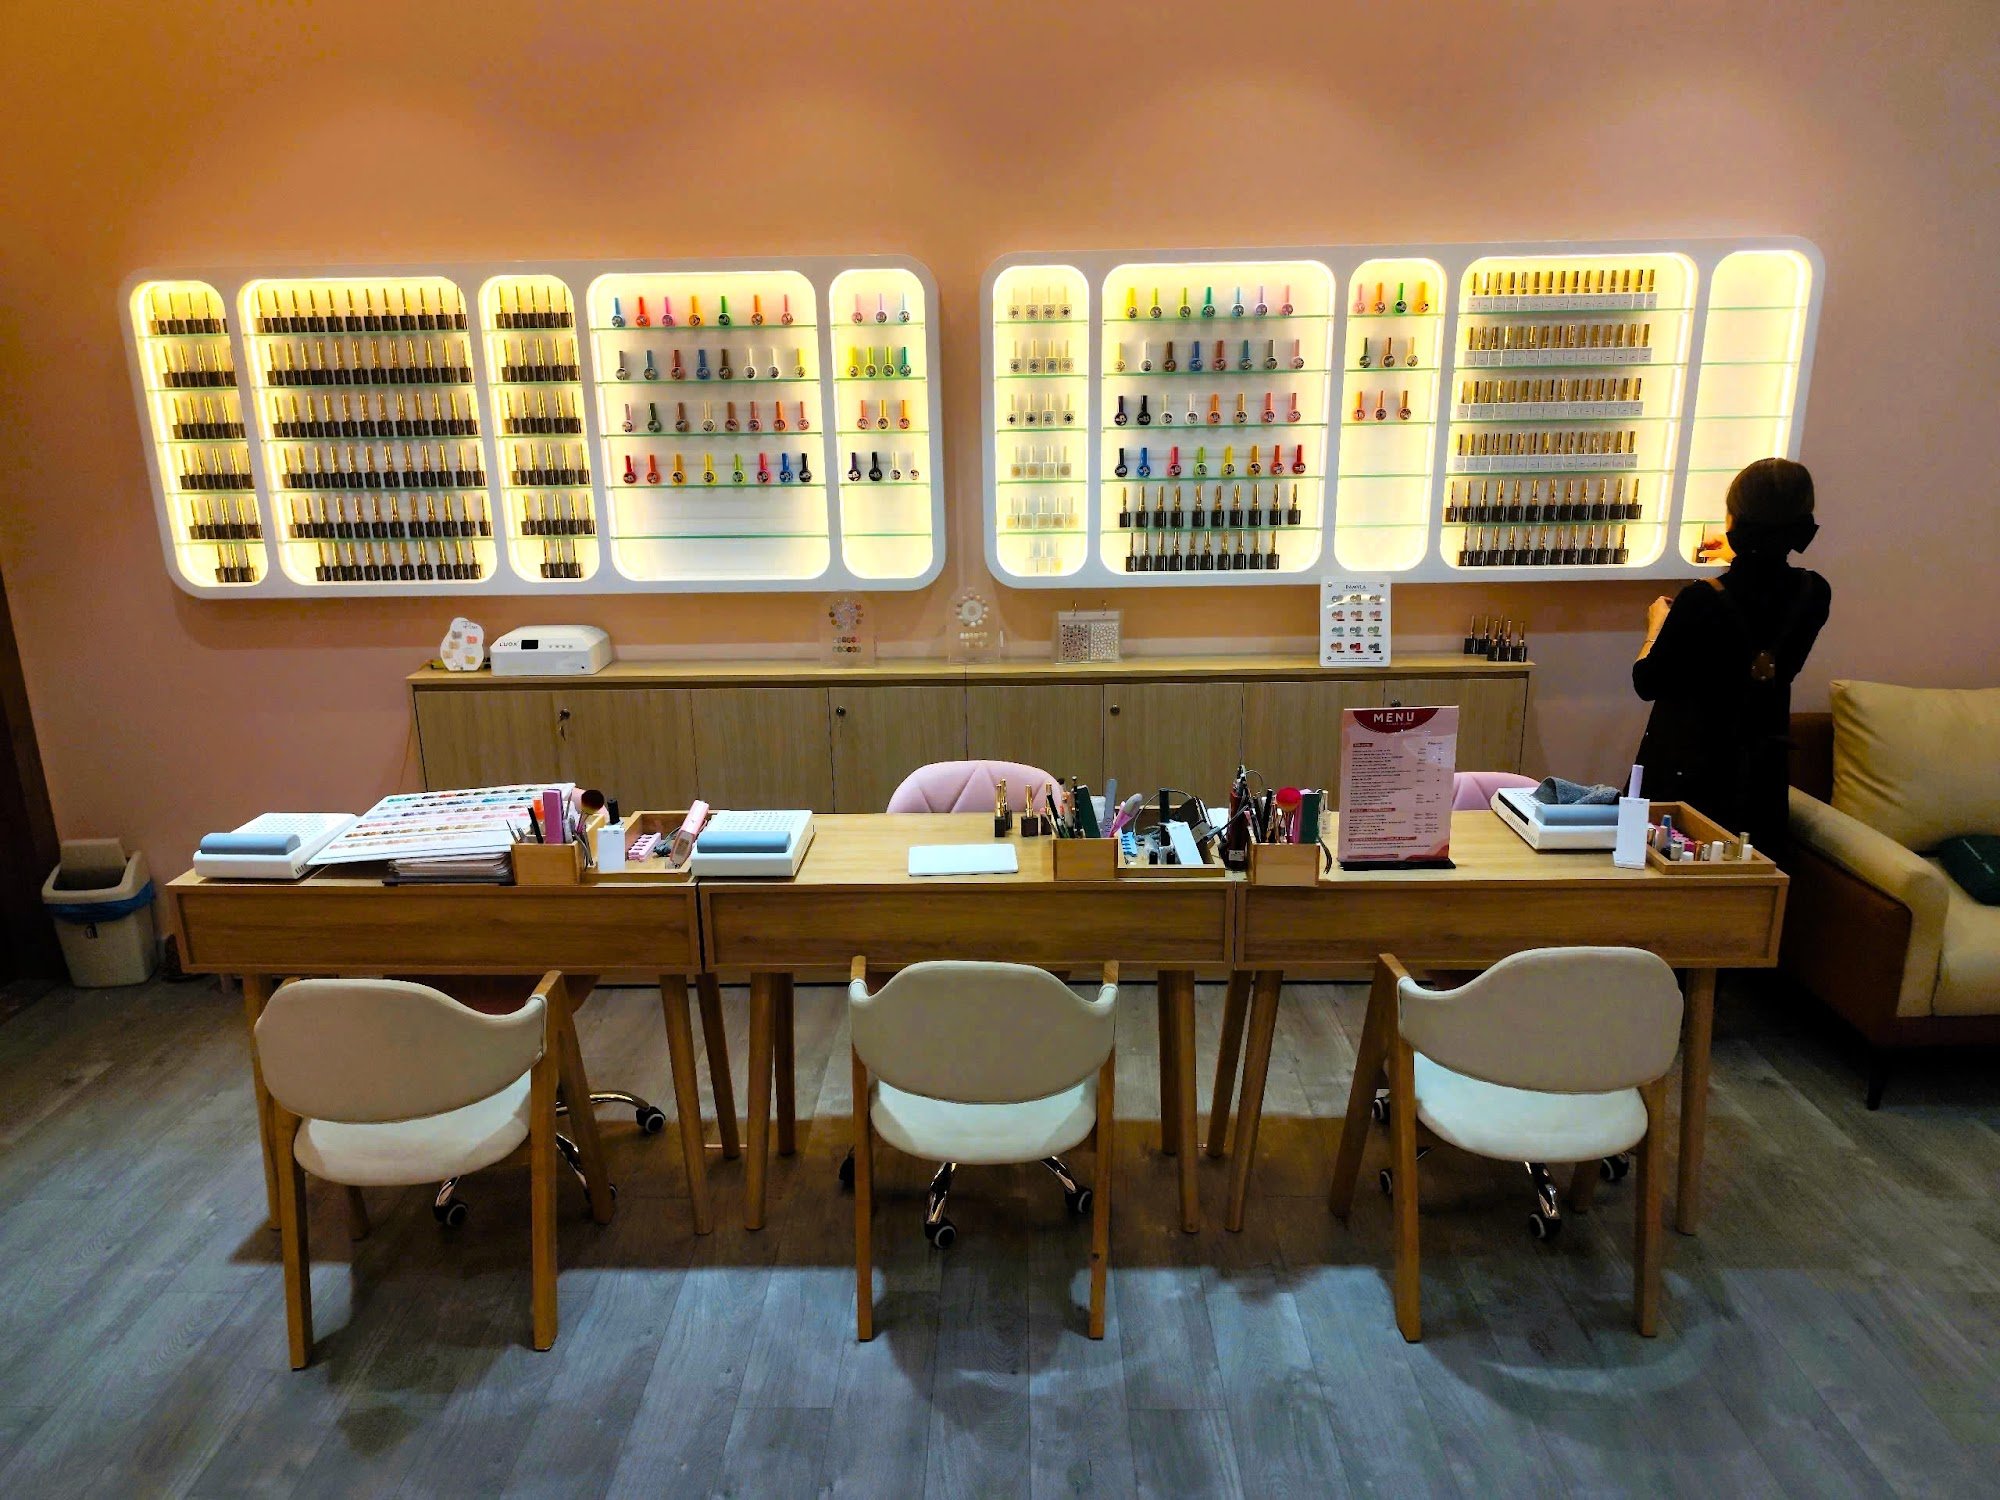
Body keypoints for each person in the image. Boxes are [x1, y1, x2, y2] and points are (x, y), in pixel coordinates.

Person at [1633, 458, 1830, 858]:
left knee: (1669, 885)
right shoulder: (1813, 593)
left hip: (1688, 773)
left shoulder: (1702, 599)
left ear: (1733, 518)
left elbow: (1647, 681)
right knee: (1745, 891)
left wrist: (1656, 626)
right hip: (1760, 776)